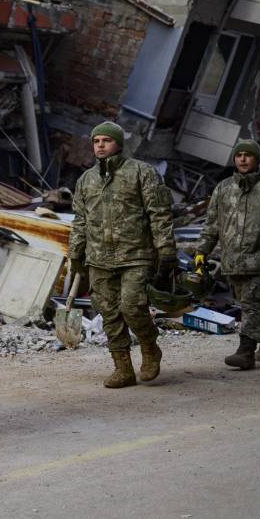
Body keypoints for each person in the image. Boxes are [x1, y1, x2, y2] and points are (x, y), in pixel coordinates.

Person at [68, 120, 175, 388]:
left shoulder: (141, 172)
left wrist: (166, 251)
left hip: (135, 255)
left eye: (106, 140)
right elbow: (80, 220)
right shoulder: (86, 180)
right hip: (99, 258)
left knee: (132, 307)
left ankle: (150, 348)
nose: (100, 145)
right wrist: (75, 255)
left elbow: (158, 214)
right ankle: (123, 368)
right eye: (96, 141)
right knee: (110, 314)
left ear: (118, 143)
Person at [194, 139, 260, 369]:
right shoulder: (223, 188)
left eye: (248, 155)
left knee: (250, 304)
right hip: (232, 262)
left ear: (256, 159)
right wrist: (202, 252)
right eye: (239, 155)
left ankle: (245, 352)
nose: (243, 159)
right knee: (248, 305)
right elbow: (212, 225)